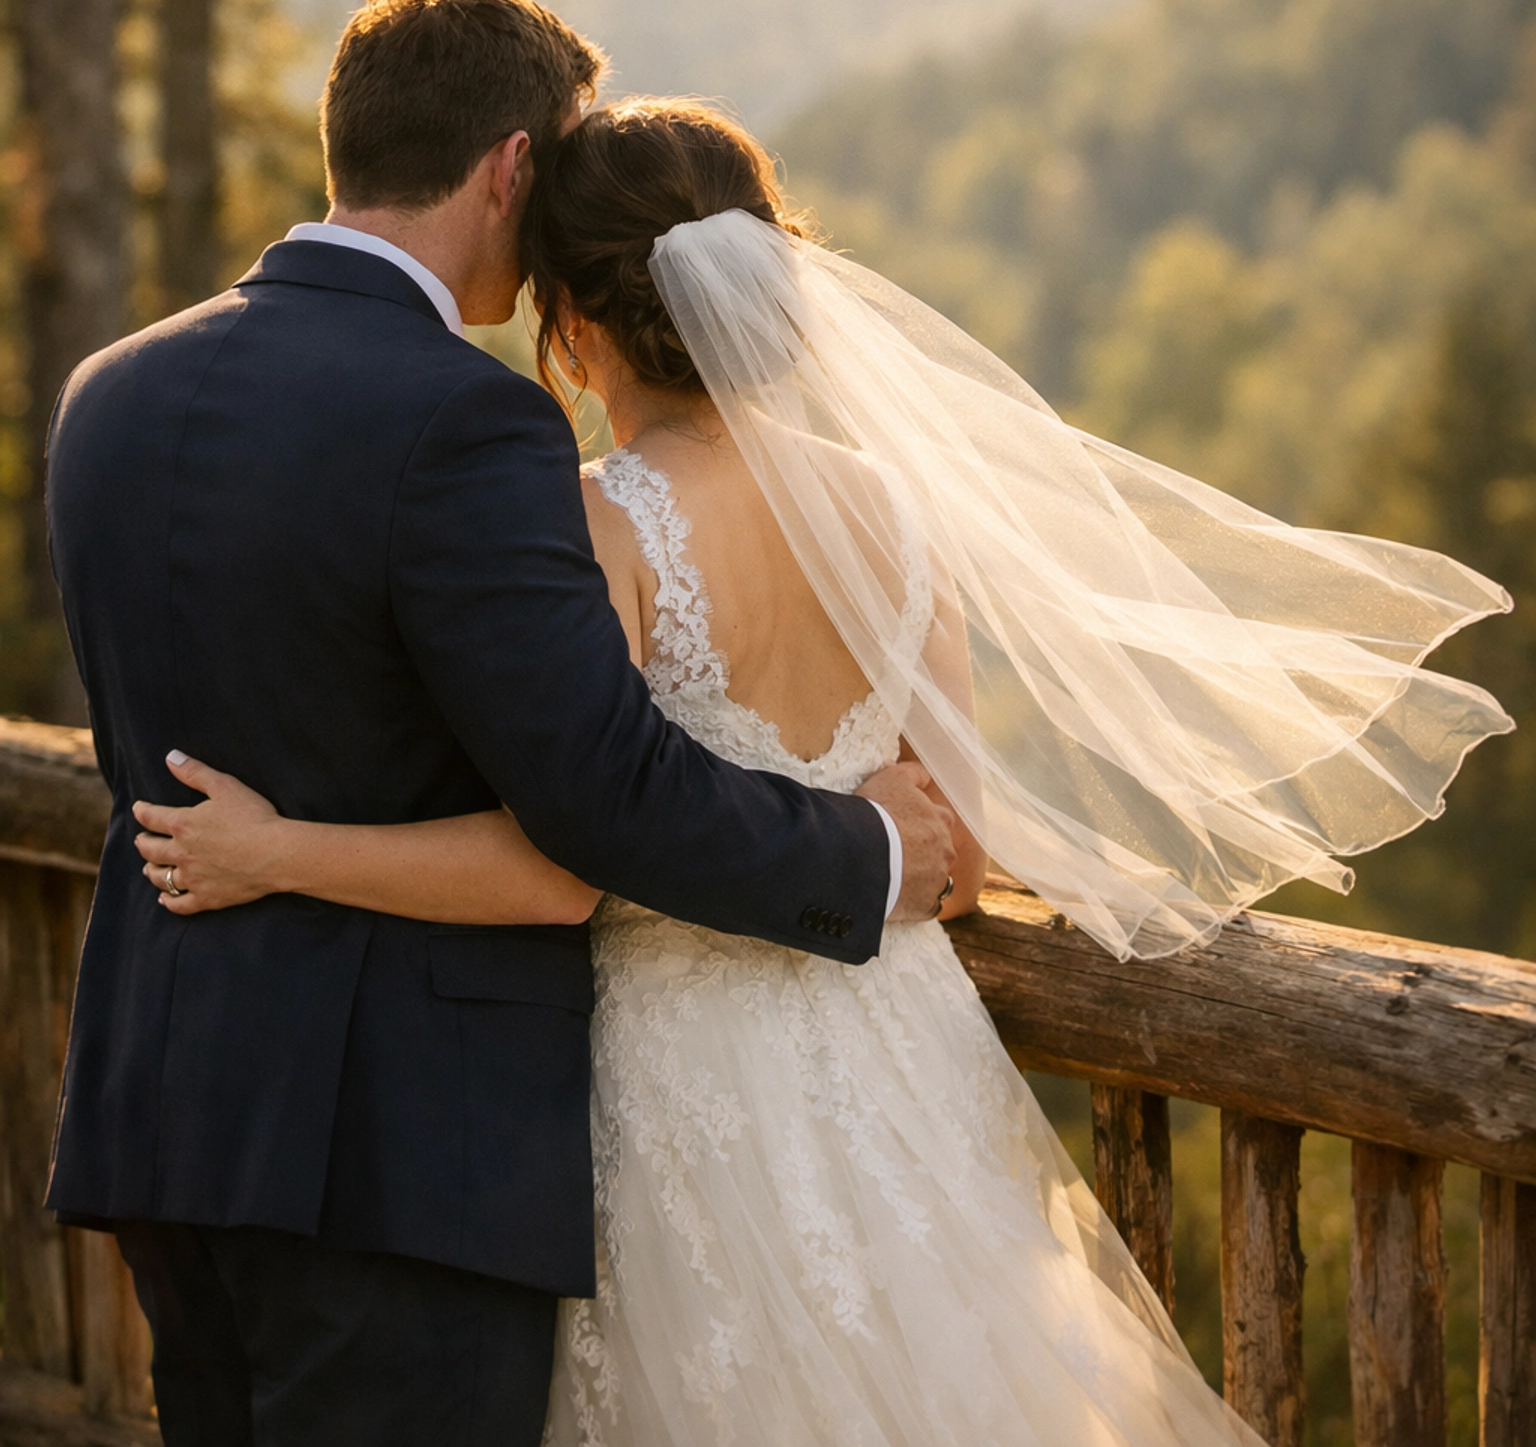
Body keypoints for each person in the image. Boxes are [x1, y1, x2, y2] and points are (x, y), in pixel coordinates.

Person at [133, 96, 1514, 1447]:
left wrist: (276, 849)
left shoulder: (598, 526)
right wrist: (864, 838)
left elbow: (561, 860)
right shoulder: (892, 508)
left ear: (571, 326)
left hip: (663, 1087)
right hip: (896, 1058)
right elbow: (957, 859)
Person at [44, 0, 955, 1447]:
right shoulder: (463, 423)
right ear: (512, 168)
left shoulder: (110, 392)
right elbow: (596, 796)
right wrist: (871, 855)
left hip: (167, 1125)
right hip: (394, 1162)